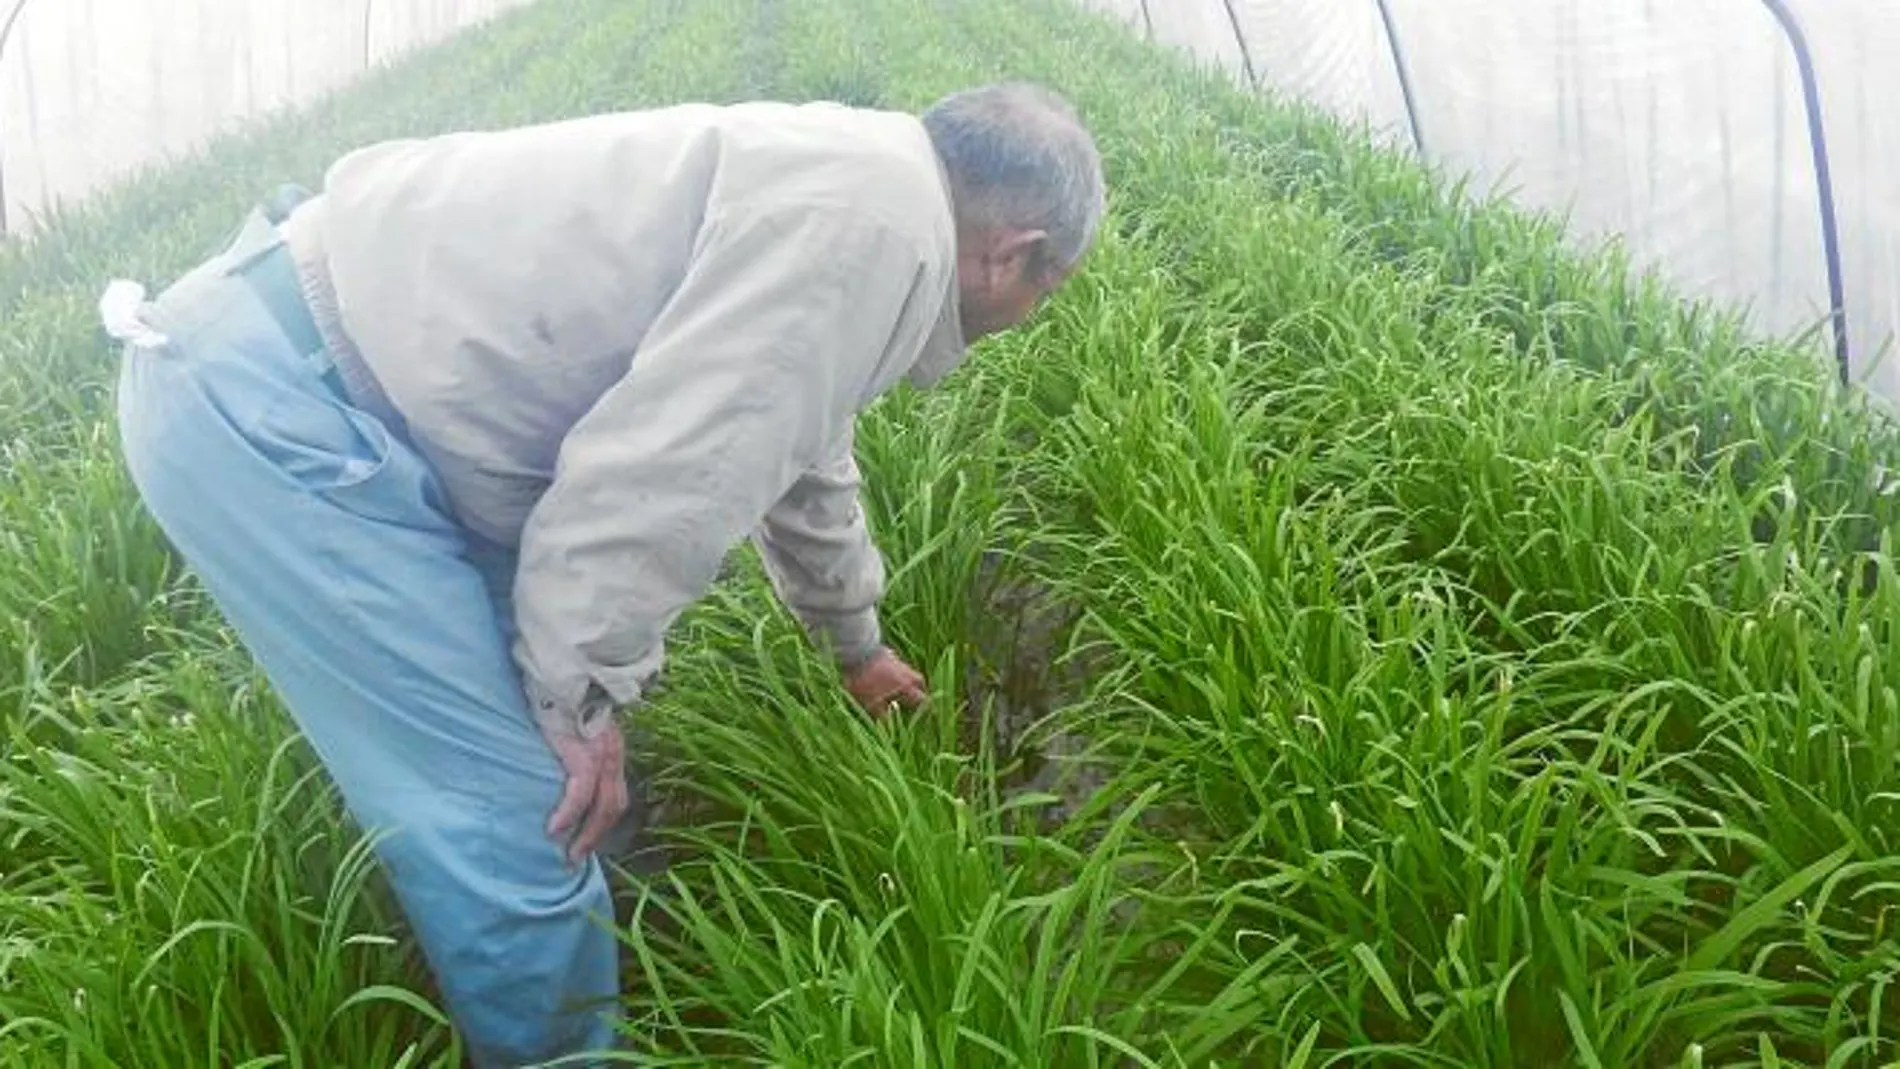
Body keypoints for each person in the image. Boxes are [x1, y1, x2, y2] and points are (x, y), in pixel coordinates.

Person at [99, 82, 1104, 1066]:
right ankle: (563, 1044)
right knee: (527, 816)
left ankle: (634, 954)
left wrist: (857, 643)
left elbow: (799, 444)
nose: (1028, 309)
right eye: (1043, 291)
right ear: (1012, 254)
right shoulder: (876, 235)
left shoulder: (869, 185)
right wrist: (575, 696)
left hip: (331, 368)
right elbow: (661, 479)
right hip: (283, 417)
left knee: (567, 777)